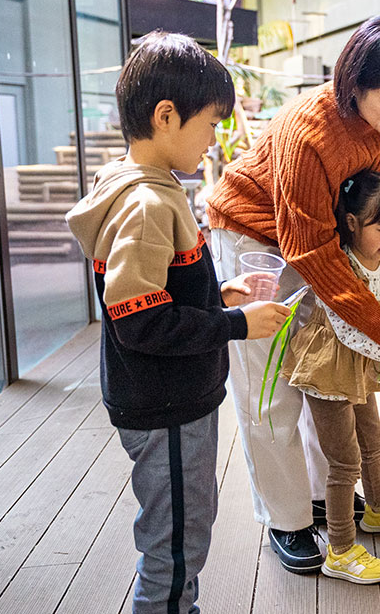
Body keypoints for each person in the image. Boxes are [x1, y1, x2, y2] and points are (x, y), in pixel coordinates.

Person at [206, 15, 380, 574]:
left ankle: (321, 494)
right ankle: (286, 519)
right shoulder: (308, 132)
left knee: (324, 367)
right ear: (354, 83)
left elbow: (365, 217)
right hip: (255, 236)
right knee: (269, 381)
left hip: (323, 239)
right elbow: (309, 251)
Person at [65, 31, 292, 613]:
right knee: (174, 547)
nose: (214, 138)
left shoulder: (148, 186)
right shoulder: (145, 205)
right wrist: (235, 324)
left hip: (171, 397)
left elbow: (158, 291)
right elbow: (140, 323)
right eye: (210, 124)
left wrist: (217, 296)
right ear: (166, 117)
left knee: (186, 526)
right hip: (166, 404)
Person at [281, 170, 380, 584]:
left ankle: (378, 510)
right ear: (351, 222)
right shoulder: (339, 266)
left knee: (372, 439)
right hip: (327, 368)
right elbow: (348, 330)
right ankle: (340, 549)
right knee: (344, 461)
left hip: (363, 364)